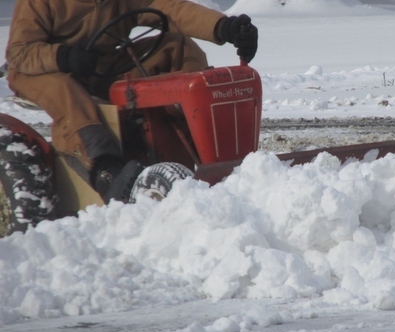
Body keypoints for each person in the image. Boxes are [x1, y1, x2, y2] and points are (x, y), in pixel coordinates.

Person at [4, 0, 258, 202]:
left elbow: (167, 8)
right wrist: (64, 57)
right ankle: (106, 169)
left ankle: (195, 141)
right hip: (41, 70)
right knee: (68, 92)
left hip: (99, 64)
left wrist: (222, 27)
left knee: (178, 47)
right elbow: (19, 52)